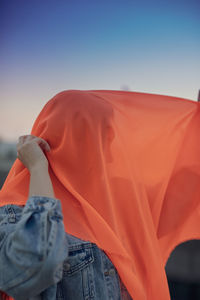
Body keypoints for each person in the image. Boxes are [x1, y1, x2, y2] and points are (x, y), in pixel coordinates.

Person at [0, 89, 200, 300]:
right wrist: (39, 168)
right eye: (100, 131)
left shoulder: (113, 200)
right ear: (66, 136)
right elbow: (39, 261)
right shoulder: (15, 212)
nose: (111, 140)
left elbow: (182, 195)